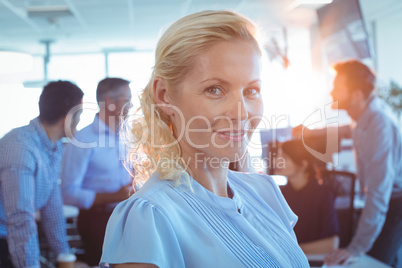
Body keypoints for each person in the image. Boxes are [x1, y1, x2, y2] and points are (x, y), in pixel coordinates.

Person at [100, 10, 309, 268]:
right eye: (215, 89)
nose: (241, 113)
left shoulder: (264, 192)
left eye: (251, 90)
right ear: (164, 95)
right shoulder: (150, 217)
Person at [297, 60, 402, 266]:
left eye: (337, 87)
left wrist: (355, 248)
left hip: (394, 205)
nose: (331, 93)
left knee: (371, 261)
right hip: (385, 202)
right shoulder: (363, 116)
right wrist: (309, 132)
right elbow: (346, 129)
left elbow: (378, 194)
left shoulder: (378, 125)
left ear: (356, 95)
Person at [0, 81, 84, 267]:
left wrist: (65, 256)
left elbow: (52, 207)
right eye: (80, 115)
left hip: (16, 238)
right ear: (68, 119)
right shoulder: (21, 148)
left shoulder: (53, 146)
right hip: (5, 241)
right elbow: (20, 219)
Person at [61, 77, 133, 266]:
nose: (132, 106)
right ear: (110, 102)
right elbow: (68, 193)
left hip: (130, 215)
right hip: (97, 221)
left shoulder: (130, 135)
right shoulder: (82, 140)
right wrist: (114, 196)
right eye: (127, 100)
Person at [275, 139, 340, 254]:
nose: (276, 161)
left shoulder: (323, 194)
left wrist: (293, 251)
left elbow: (331, 244)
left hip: (315, 260)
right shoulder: (278, 194)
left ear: (303, 164)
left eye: (284, 158)